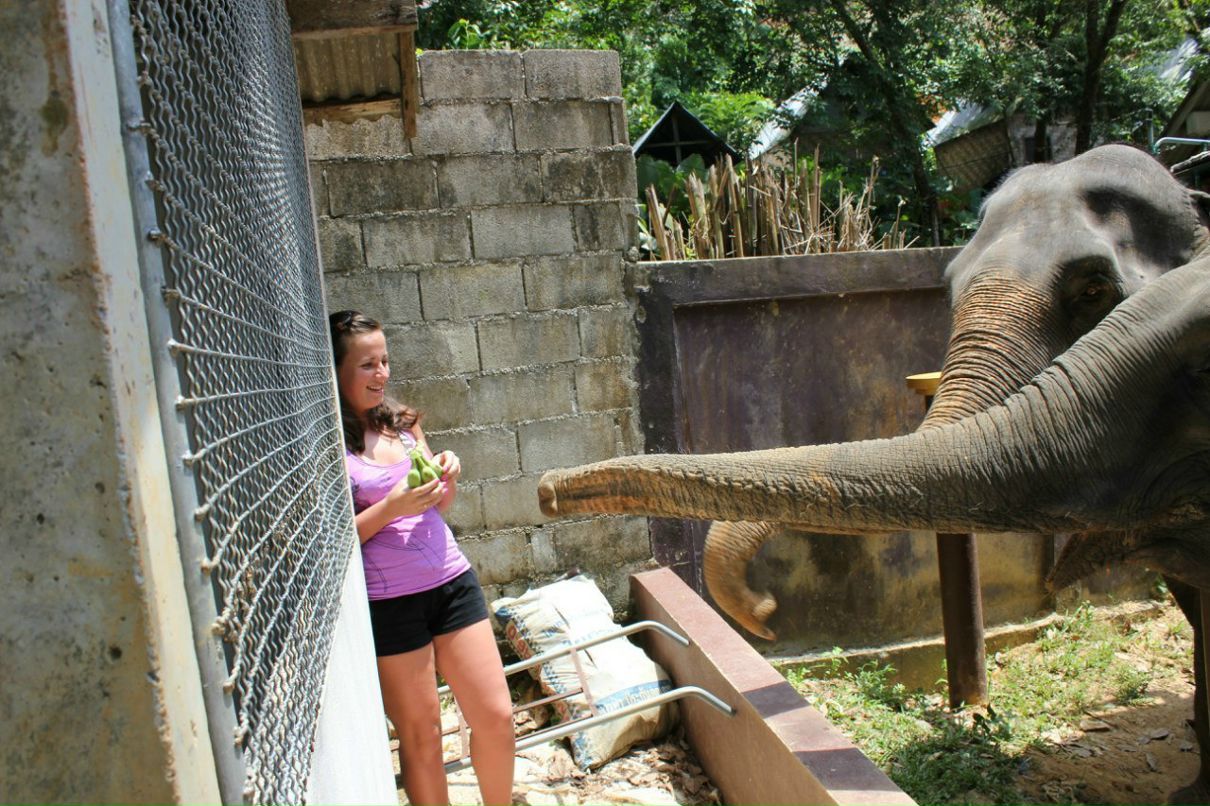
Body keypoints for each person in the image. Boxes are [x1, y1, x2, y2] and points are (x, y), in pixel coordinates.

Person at [330, 309, 514, 806]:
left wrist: (446, 475)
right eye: (367, 365)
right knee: (422, 736)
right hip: (391, 602)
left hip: (451, 581)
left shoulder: (403, 424)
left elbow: (441, 503)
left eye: (384, 361)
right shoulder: (330, 447)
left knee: (496, 716)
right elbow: (334, 540)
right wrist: (390, 508)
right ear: (338, 372)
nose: (382, 374)